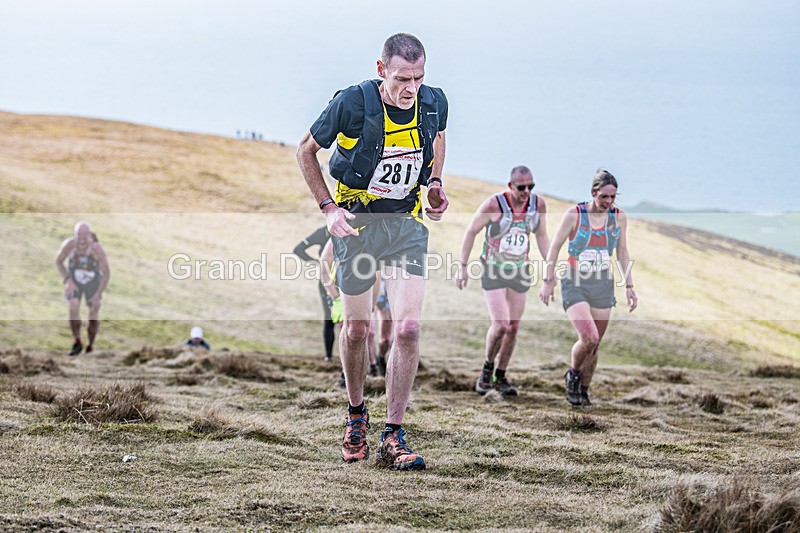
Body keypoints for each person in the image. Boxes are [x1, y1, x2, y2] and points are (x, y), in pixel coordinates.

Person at [296, 33, 449, 471]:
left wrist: (434, 184)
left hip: (405, 225)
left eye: (419, 78)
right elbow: (306, 151)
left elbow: (437, 137)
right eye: (402, 78)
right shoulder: (353, 103)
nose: (411, 88)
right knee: (359, 330)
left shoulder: (433, 101)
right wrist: (328, 208)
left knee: (408, 329)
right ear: (382, 70)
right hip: (357, 226)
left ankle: (394, 434)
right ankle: (356, 416)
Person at [539, 169, 637, 408]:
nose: (609, 202)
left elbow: (622, 252)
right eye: (604, 196)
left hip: (603, 283)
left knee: (595, 345)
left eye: (613, 197)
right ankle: (573, 375)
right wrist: (548, 279)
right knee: (589, 337)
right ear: (593, 193)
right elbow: (554, 248)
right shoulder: (575, 214)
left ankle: (583, 391)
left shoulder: (618, 217)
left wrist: (629, 286)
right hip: (575, 282)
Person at [455, 166, 550, 396]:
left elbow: (542, 236)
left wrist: (551, 269)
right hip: (493, 269)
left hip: (519, 270)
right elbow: (471, 232)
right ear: (510, 186)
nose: (527, 191)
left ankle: (501, 375)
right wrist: (463, 266)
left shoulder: (538, 206)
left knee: (514, 327)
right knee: (501, 324)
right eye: (521, 187)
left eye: (531, 186)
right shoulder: (494, 205)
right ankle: (487, 369)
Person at [54, 222, 110, 356]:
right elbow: (58, 261)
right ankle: (77, 341)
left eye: (85, 237)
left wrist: (98, 294)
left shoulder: (97, 250)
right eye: (79, 237)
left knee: (93, 314)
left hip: (93, 282)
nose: (82, 241)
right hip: (74, 280)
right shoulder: (69, 245)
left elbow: (106, 274)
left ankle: (90, 344)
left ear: (90, 236)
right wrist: (67, 280)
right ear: (75, 236)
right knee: (73, 306)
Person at [293, 226, 337, 362]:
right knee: (330, 319)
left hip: (349, 279)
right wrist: (318, 264)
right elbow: (298, 249)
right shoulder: (324, 232)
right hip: (327, 281)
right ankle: (328, 357)